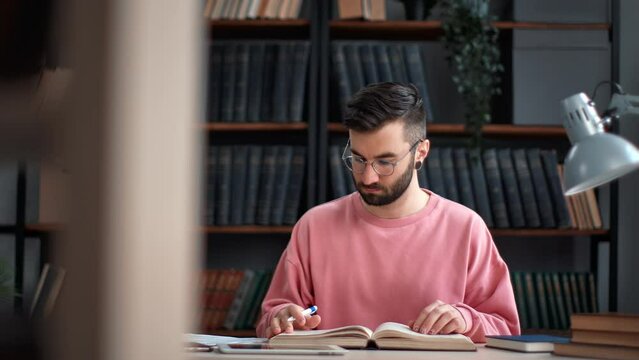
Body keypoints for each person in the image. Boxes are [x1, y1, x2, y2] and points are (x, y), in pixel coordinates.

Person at [256, 82, 520, 342]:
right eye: (358, 159)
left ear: (421, 152)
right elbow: (272, 319)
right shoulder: (313, 226)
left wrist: (467, 320)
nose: (368, 177)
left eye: (385, 162)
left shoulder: (466, 228)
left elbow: (507, 329)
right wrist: (279, 319)